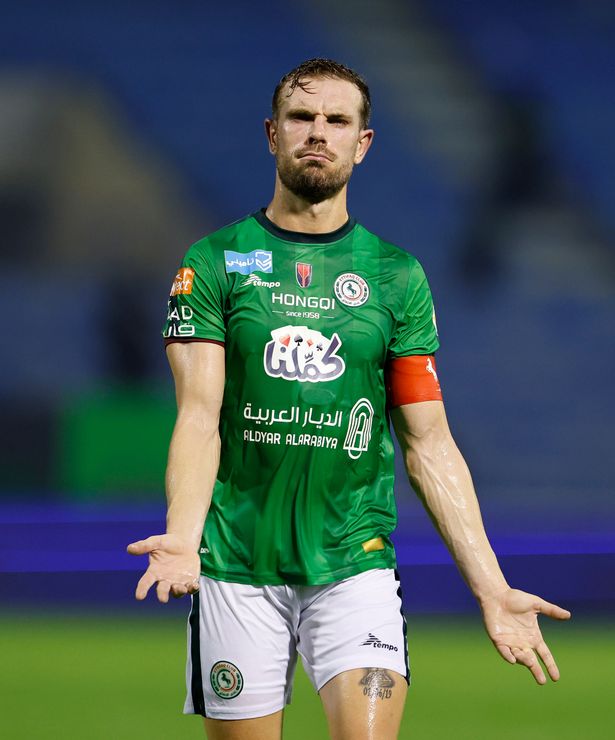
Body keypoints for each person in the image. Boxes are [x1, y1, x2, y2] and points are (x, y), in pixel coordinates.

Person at [127, 58, 571, 740]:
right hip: (235, 563)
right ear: (272, 134)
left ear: (362, 144)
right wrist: (182, 538)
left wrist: (489, 585)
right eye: (302, 117)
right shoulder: (214, 262)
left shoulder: (395, 278)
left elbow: (428, 442)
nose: (318, 132)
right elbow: (198, 415)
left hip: (353, 561)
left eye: (338, 120)